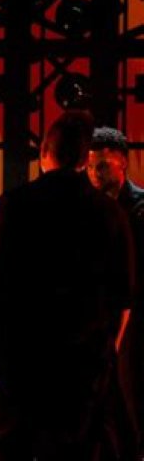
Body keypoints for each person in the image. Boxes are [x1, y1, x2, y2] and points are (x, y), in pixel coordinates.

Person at [0, 111, 135, 460]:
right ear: (84, 159)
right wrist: (107, 353)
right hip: (83, 360)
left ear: (45, 151)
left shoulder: (17, 204)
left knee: (15, 446)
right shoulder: (108, 212)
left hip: (23, 356)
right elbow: (122, 296)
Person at [87, 127, 144, 455]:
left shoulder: (140, 208)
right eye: (91, 166)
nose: (95, 173)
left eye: (103, 166)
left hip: (134, 320)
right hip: (100, 319)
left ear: (123, 162)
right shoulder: (89, 209)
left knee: (132, 400)